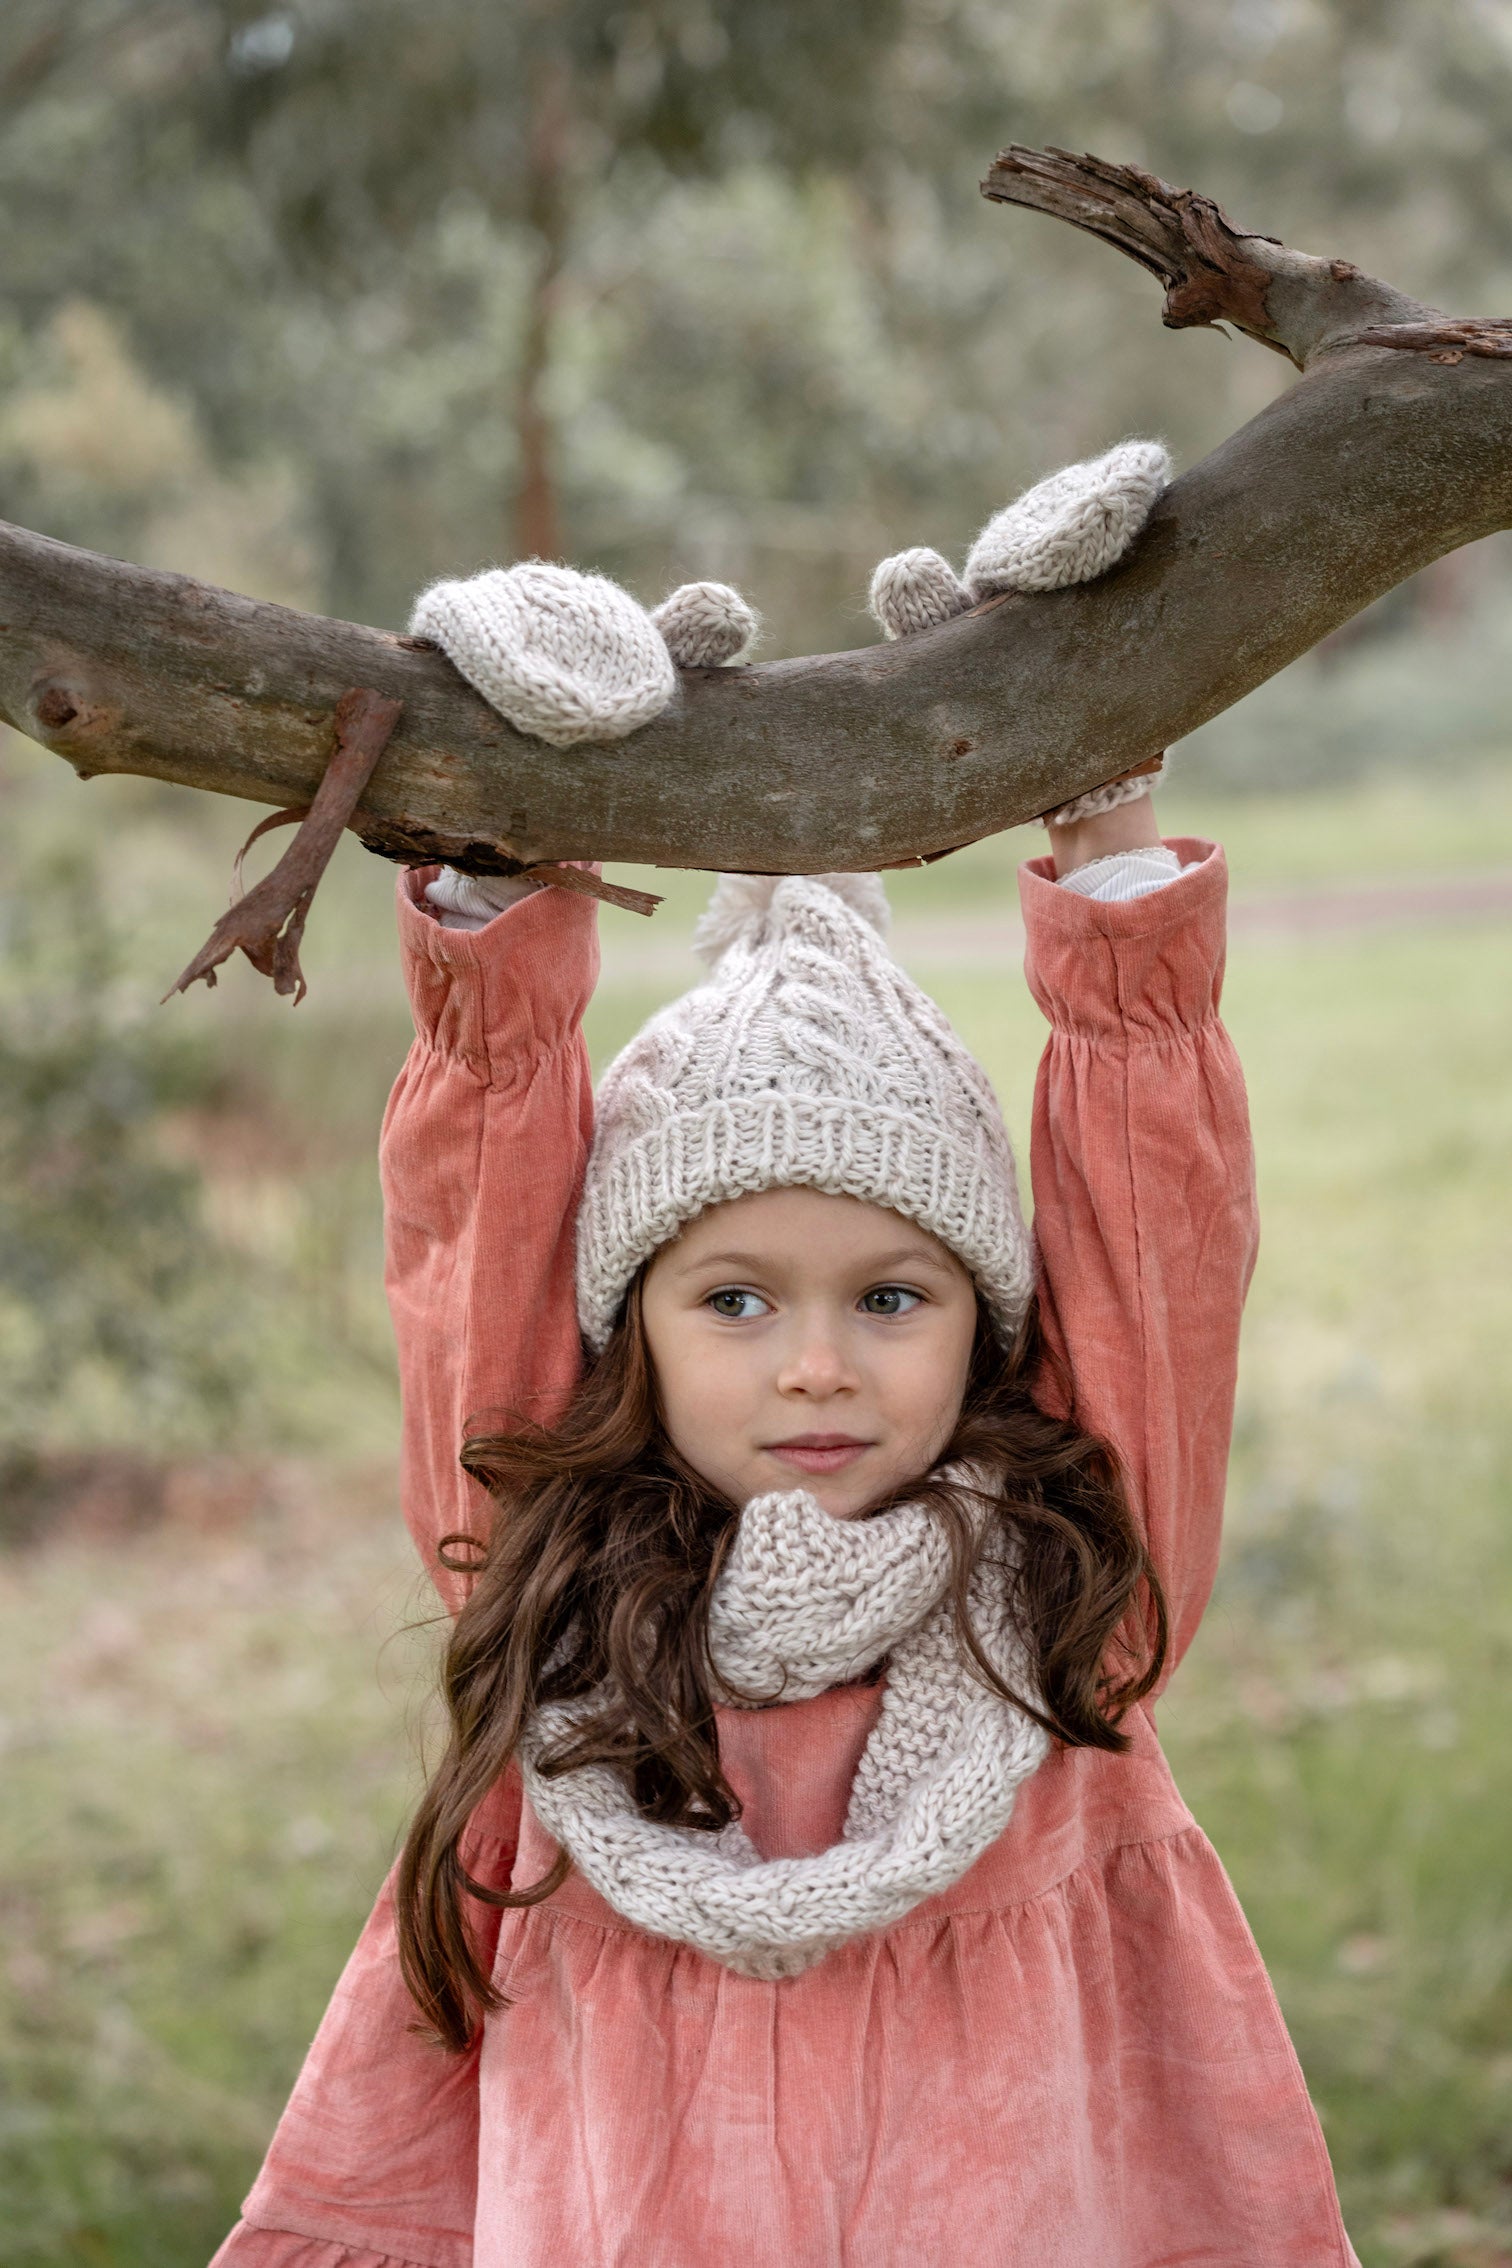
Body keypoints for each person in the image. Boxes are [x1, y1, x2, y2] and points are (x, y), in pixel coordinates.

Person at [211, 454, 1358, 2266]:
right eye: (731, 1299)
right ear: (626, 1332)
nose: (813, 1364)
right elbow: (481, 1225)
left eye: (891, 1299)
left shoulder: (1067, 1602)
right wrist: (494, 857)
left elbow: (1163, 1248)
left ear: (991, 1323)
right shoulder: (554, 1589)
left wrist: (1101, 807)